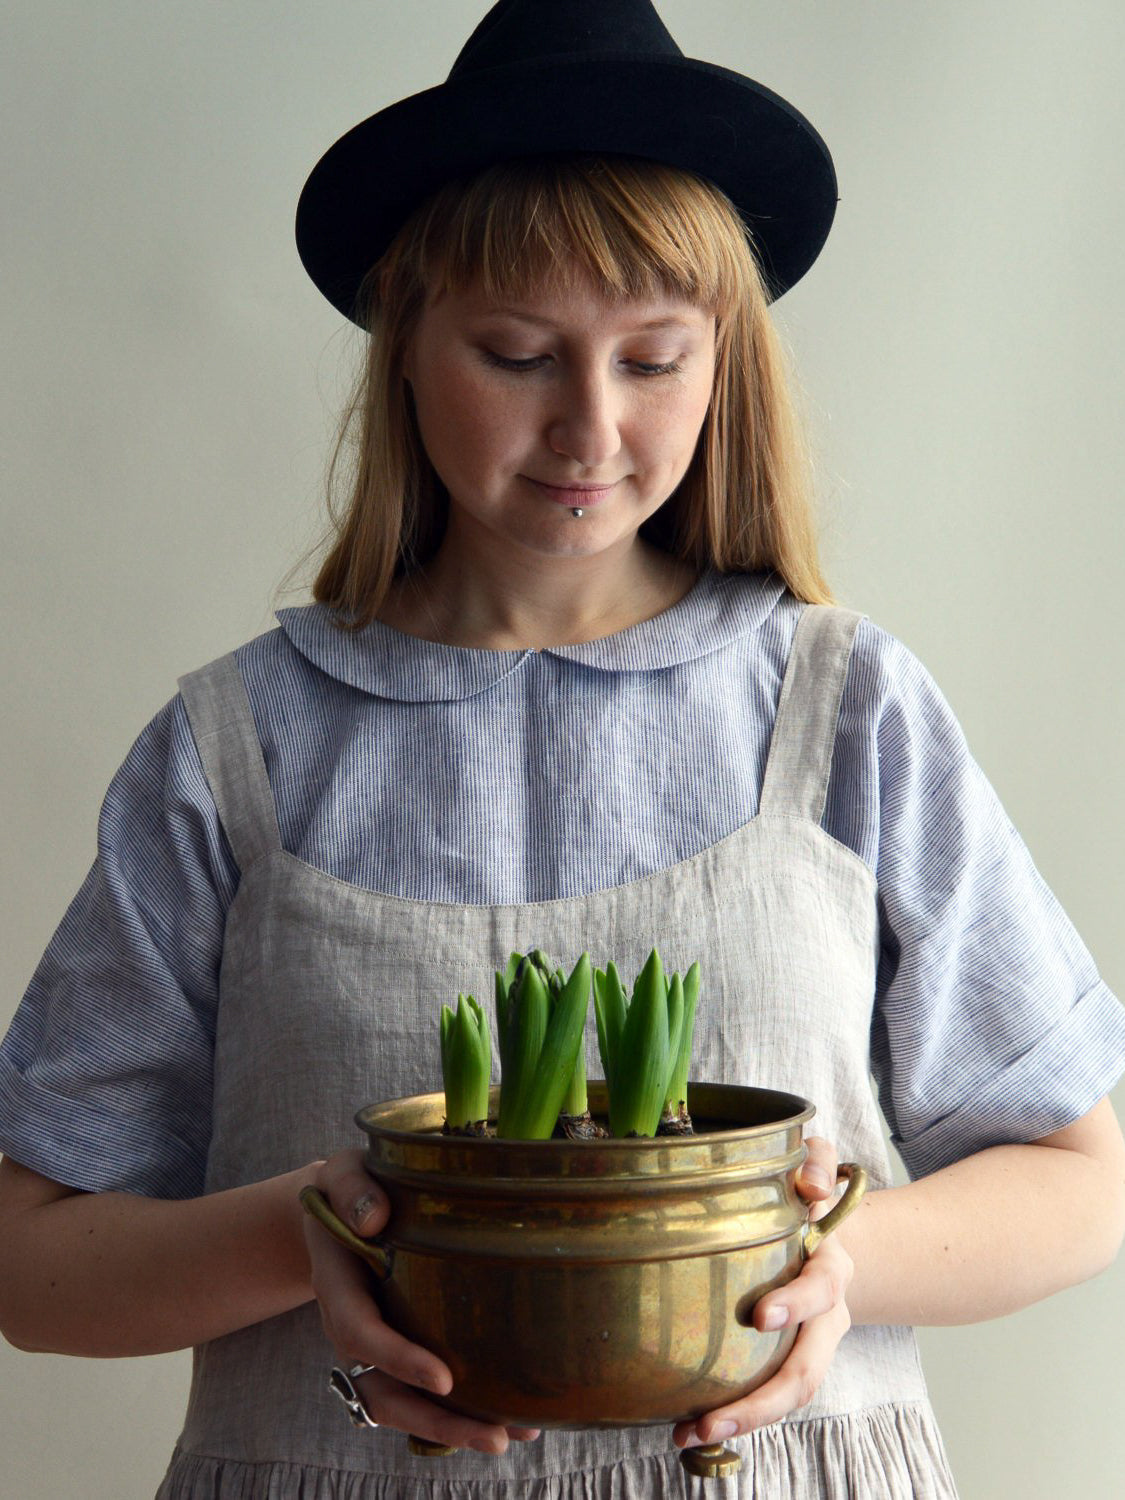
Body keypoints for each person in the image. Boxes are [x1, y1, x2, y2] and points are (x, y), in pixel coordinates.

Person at [2, 1, 1124, 1497]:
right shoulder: (237, 751)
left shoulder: (843, 708)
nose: (588, 426)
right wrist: (311, 1232)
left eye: (653, 360)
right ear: (406, 340)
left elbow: (1078, 1178)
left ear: (724, 367)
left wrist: (834, 1259)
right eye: (517, 353)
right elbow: (31, 1262)